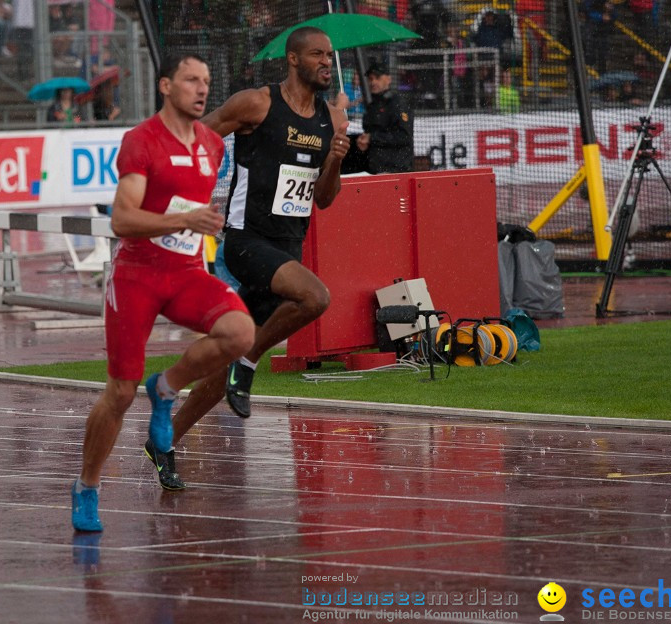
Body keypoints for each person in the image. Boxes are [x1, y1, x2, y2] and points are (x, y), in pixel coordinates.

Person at [140, 27, 350, 490]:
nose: (326, 63)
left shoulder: (331, 120)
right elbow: (198, 134)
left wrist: (335, 157)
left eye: (329, 56)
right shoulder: (257, 103)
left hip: (287, 246)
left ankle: (165, 440)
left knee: (220, 371)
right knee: (316, 298)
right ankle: (250, 363)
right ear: (292, 60)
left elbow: (326, 199)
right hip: (245, 242)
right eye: (317, 54)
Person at [71, 53, 254, 532]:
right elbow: (122, 219)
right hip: (138, 276)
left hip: (187, 273)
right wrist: (184, 219)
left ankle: (167, 387)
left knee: (240, 333)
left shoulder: (213, 145)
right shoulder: (142, 140)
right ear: (166, 86)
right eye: (192, 79)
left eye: (207, 81)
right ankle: (87, 486)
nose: (202, 89)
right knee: (119, 392)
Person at [357, 61, 415, 174]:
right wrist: (364, 141)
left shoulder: (398, 103)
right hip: (375, 169)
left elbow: (404, 136)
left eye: (377, 77)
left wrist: (372, 138)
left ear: (388, 79)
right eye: (370, 78)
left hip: (396, 170)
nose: (373, 82)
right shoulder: (372, 106)